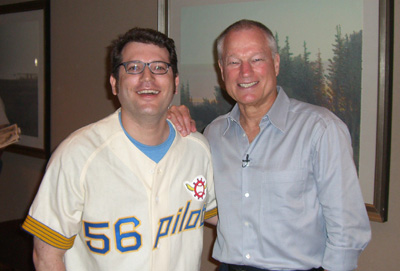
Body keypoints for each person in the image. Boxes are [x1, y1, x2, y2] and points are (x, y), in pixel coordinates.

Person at [168, 19, 371, 271]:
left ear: (275, 63)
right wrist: (166, 129)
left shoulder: (320, 129)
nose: (245, 72)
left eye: (256, 59)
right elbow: (203, 205)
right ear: (222, 70)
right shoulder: (214, 134)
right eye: (234, 62)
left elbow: (348, 229)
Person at [22, 27, 217, 271]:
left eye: (159, 67)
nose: (147, 77)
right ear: (114, 83)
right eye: (134, 68)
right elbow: (47, 256)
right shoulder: (76, 155)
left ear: (175, 82)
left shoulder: (197, 149)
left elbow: (219, 212)